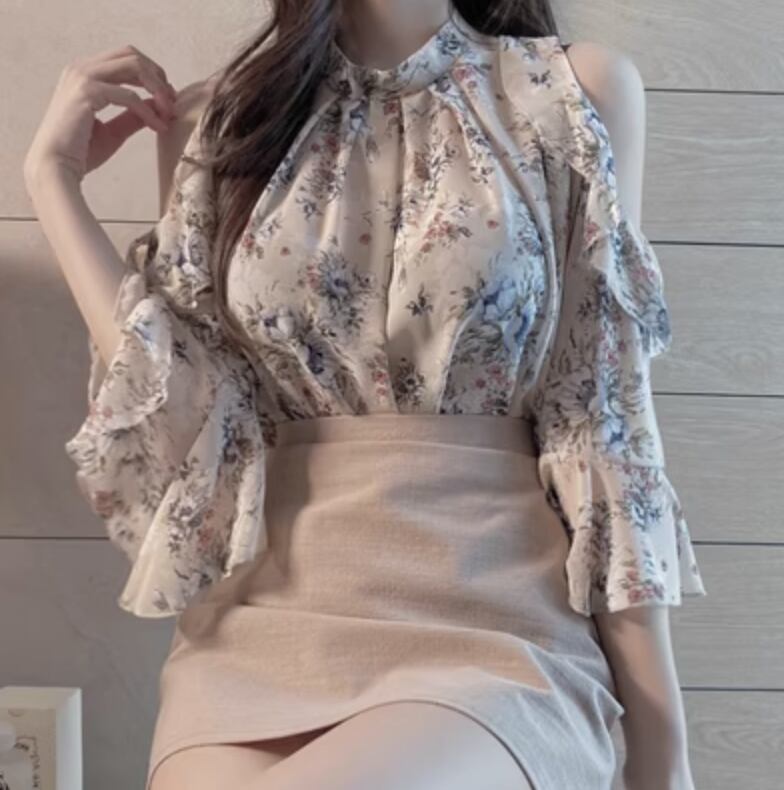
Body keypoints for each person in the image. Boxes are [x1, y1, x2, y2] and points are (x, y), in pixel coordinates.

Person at [24, 1, 708, 788]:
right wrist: (54, 183)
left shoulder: (570, 91)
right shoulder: (221, 120)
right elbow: (191, 417)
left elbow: (602, 422)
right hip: (259, 633)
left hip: (491, 629)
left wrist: (661, 752)